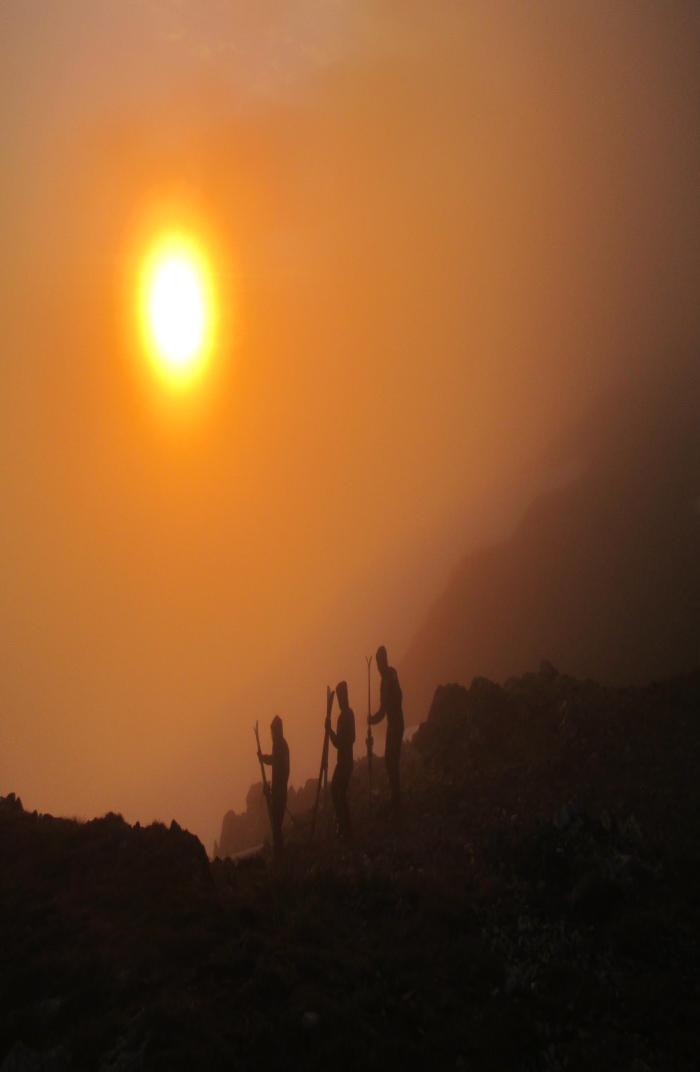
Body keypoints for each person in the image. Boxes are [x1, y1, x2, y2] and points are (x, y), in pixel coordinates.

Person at [368, 645, 404, 822]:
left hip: (395, 724)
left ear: (383, 661)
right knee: (391, 761)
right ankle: (396, 797)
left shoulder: (388, 678)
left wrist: (372, 720)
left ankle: (397, 800)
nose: (378, 666)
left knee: (391, 761)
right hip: (395, 723)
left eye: (379, 662)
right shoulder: (391, 675)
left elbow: (384, 709)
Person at [326, 680, 355, 841]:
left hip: (345, 762)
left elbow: (341, 742)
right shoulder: (346, 715)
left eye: (342, 697)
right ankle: (344, 826)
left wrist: (329, 731)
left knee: (337, 792)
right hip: (345, 761)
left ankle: (345, 827)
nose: (340, 701)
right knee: (338, 793)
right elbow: (346, 740)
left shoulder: (346, 716)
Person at [258, 716, 290, 862]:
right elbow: (275, 762)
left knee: (276, 825)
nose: (272, 735)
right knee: (276, 825)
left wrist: (263, 758)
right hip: (278, 790)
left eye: (273, 732)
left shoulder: (280, 745)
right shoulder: (279, 745)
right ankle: (280, 853)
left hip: (280, 791)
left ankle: (280, 855)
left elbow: (278, 765)